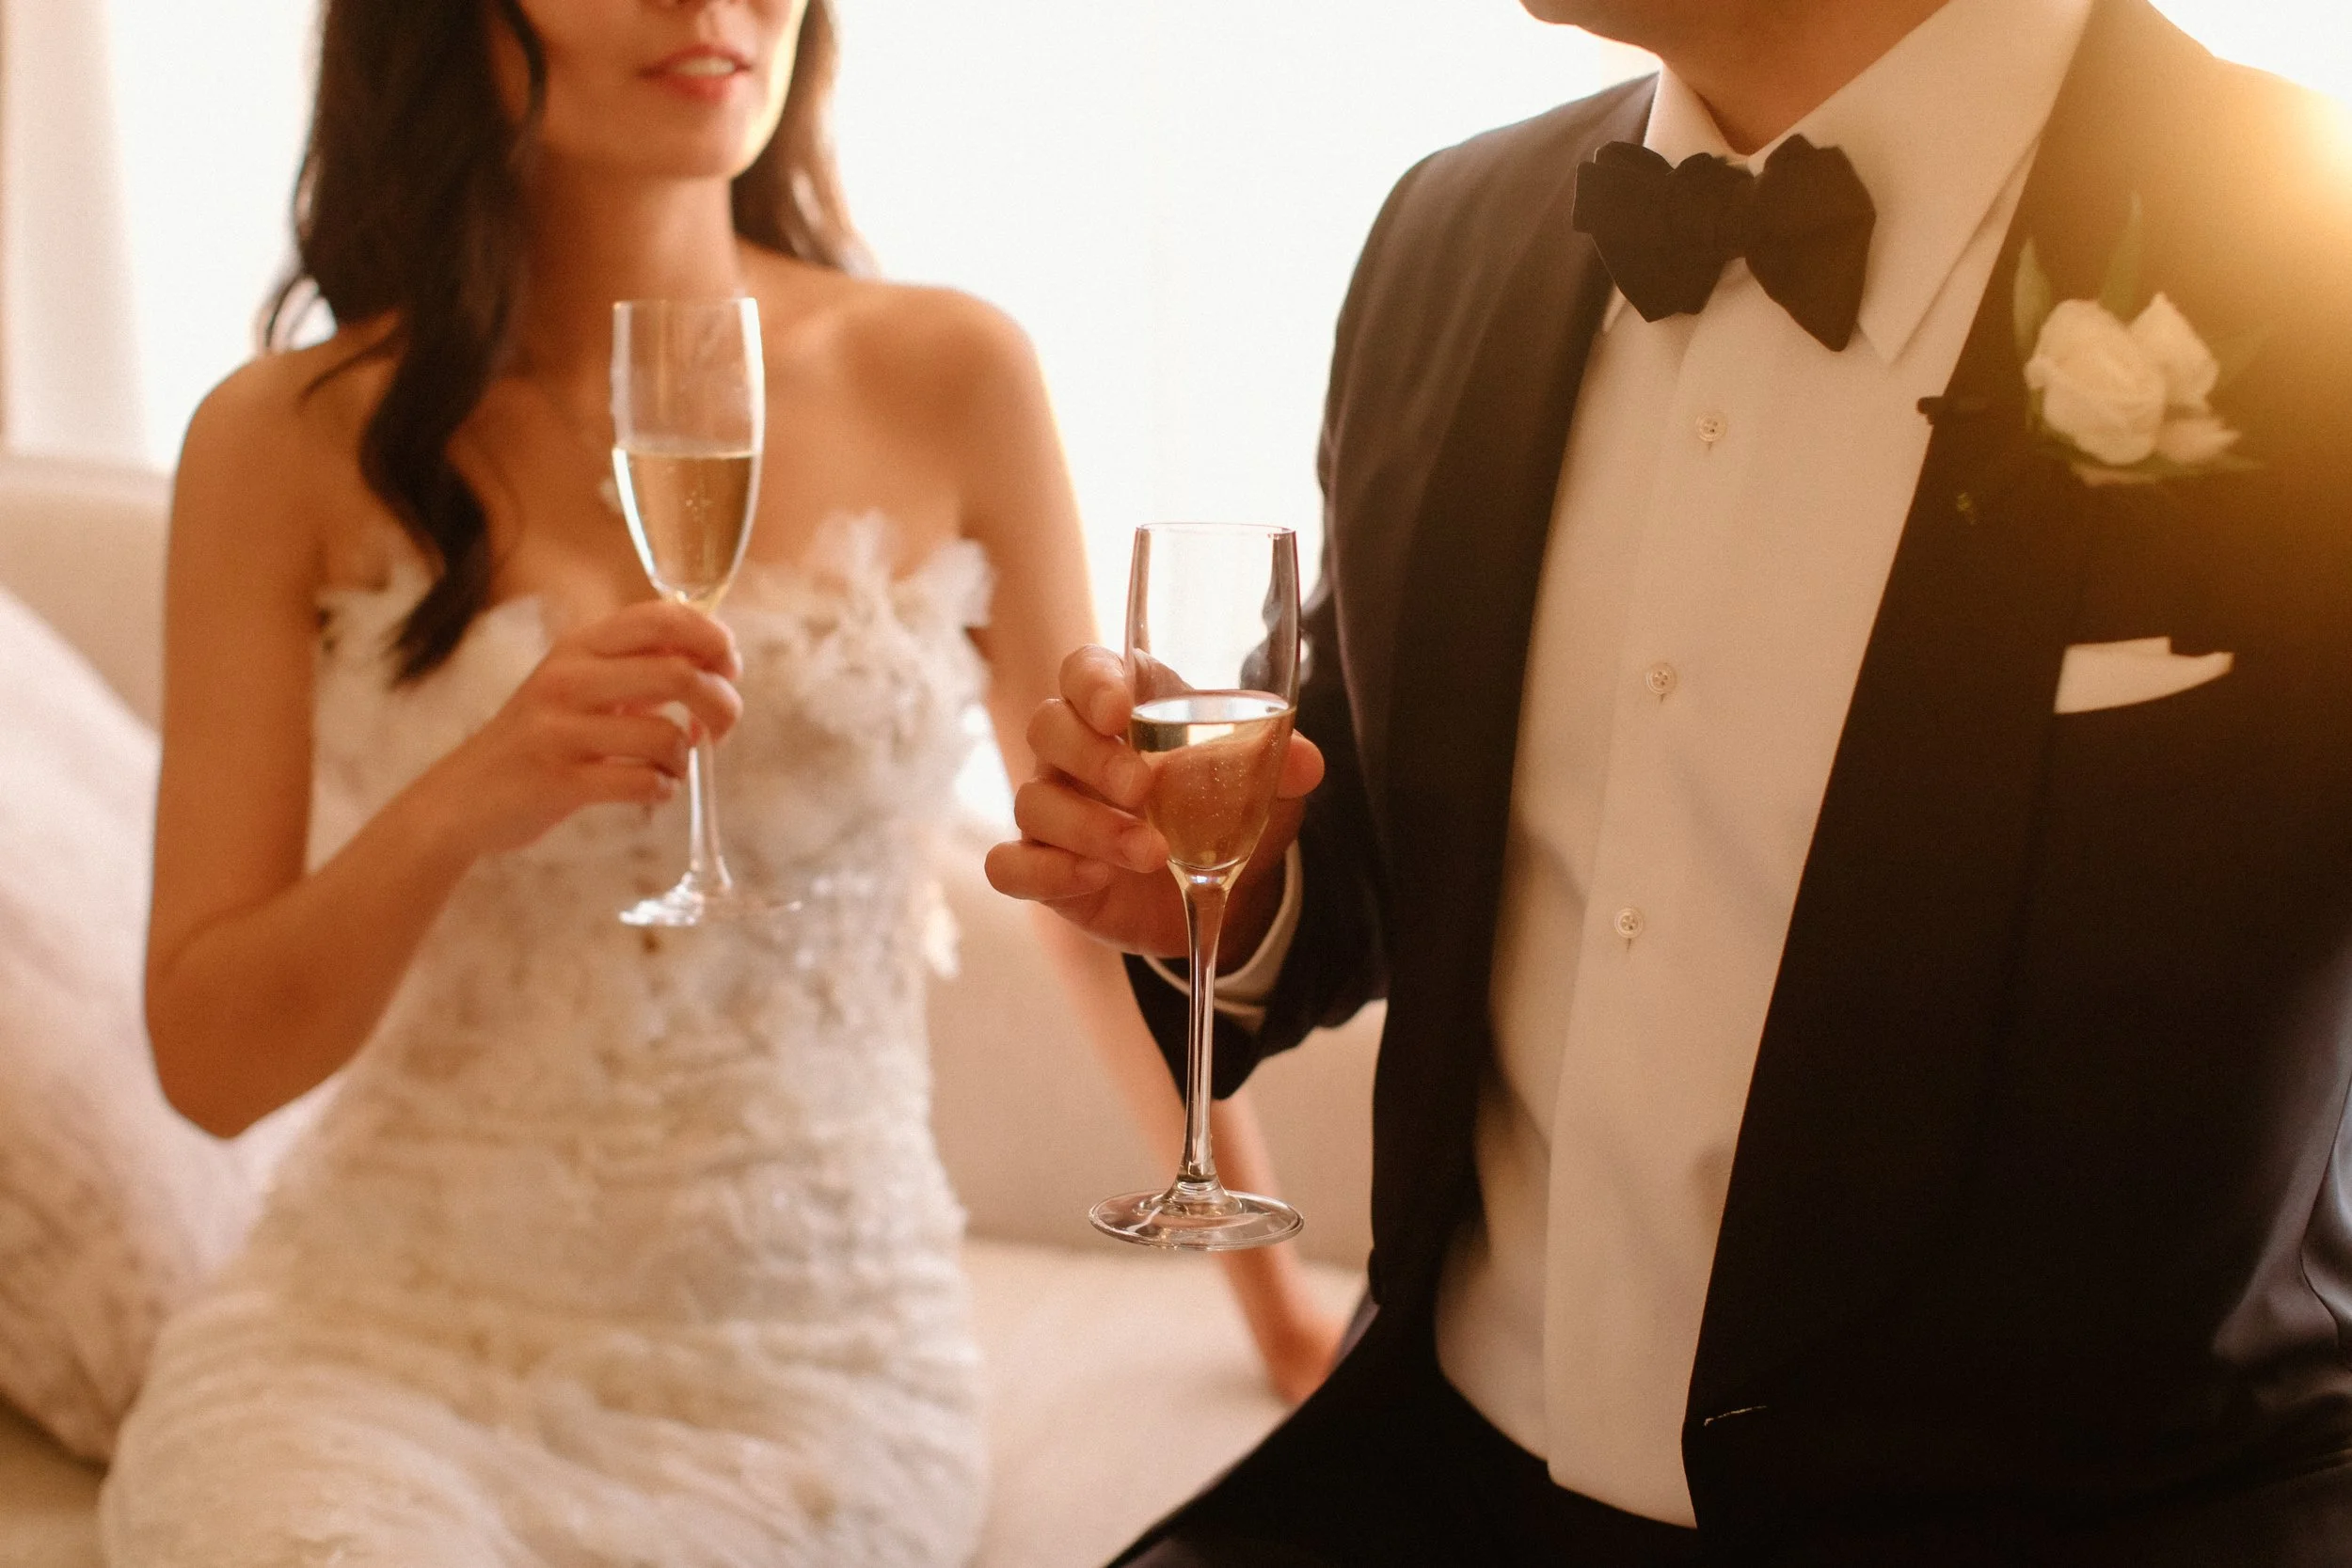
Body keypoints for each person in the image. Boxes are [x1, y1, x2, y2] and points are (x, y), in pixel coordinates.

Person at [992, 0, 2352, 1560]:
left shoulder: (2315, 248)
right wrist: (1228, 891)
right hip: (1439, 1482)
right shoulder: (1448, 238)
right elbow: (1369, 820)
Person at [99, 0, 1330, 1561]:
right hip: (369, 1344)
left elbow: (1094, 884)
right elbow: (209, 1063)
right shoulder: (280, 440)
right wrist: (472, 796)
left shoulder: (951, 372)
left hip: (806, 1365)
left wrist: (1281, 1302)